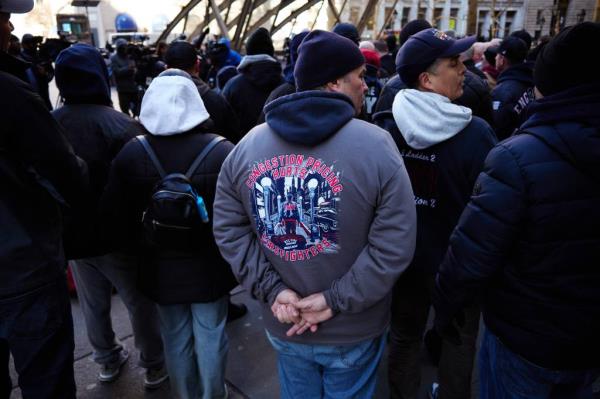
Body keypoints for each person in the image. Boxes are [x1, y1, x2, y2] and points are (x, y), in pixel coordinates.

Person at [213, 30, 417, 399]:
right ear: (335, 82)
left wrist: (274, 291)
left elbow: (229, 229)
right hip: (351, 326)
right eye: (359, 76)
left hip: (285, 318)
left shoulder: (247, 147)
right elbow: (394, 243)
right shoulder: (377, 146)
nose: (365, 86)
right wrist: (333, 299)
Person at [433, 22, 600, 398]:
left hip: (525, 340)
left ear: (549, 85)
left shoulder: (516, 156)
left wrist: (444, 308)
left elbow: (471, 255)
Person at [373, 28, 497, 399]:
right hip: (458, 263)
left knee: (405, 336)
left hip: (403, 260)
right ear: (426, 79)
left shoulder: (386, 129)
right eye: (454, 63)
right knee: (456, 342)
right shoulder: (477, 134)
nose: (465, 70)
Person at [100, 71, 238, 399]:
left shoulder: (132, 153)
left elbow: (114, 214)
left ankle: (184, 393)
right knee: (211, 334)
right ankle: (213, 393)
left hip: (158, 266)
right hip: (211, 265)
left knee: (174, 335)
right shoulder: (222, 150)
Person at [52, 43, 167, 388]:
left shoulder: (48, 123)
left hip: (73, 235)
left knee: (93, 303)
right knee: (139, 302)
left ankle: (106, 359)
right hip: (120, 236)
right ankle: (154, 364)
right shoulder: (123, 125)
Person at [1, 1, 88, 397]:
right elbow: (64, 173)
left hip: (19, 260)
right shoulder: (10, 94)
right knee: (47, 382)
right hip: (22, 267)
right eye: (3, 18)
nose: (10, 28)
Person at [164, 41, 241, 143]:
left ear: (166, 68)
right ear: (197, 65)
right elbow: (234, 140)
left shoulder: (152, 101)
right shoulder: (217, 102)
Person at [222, 27, 283, 136]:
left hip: (240, 148)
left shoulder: (233, 86)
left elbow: (222, 122)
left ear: (249, 51)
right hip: (278, 151)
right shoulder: (285, 86)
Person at [491, 36, 534, 140]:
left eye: (497, 55)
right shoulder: (532, 79)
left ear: (502, 60)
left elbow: (497, 132)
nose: (495, 57)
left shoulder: (502, 92)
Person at [20, 33, 53, 110]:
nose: (31, 45)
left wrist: (44, 74)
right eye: (28, 43)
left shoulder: (41, 56)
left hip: (44, 95)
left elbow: (51, 73)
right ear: (23, 44)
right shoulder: (20, 58)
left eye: (33, 42)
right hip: (27, 96)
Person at [110, 38, 139, 116]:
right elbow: (116, 72)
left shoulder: (130, 56)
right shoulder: (114, 58)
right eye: (123, 47)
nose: (125, 49)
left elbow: (135, 68)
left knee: (137, 108)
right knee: (124, 109)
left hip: (133, 87)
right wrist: (128, 68)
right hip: (123, 88)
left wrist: (135, 70)